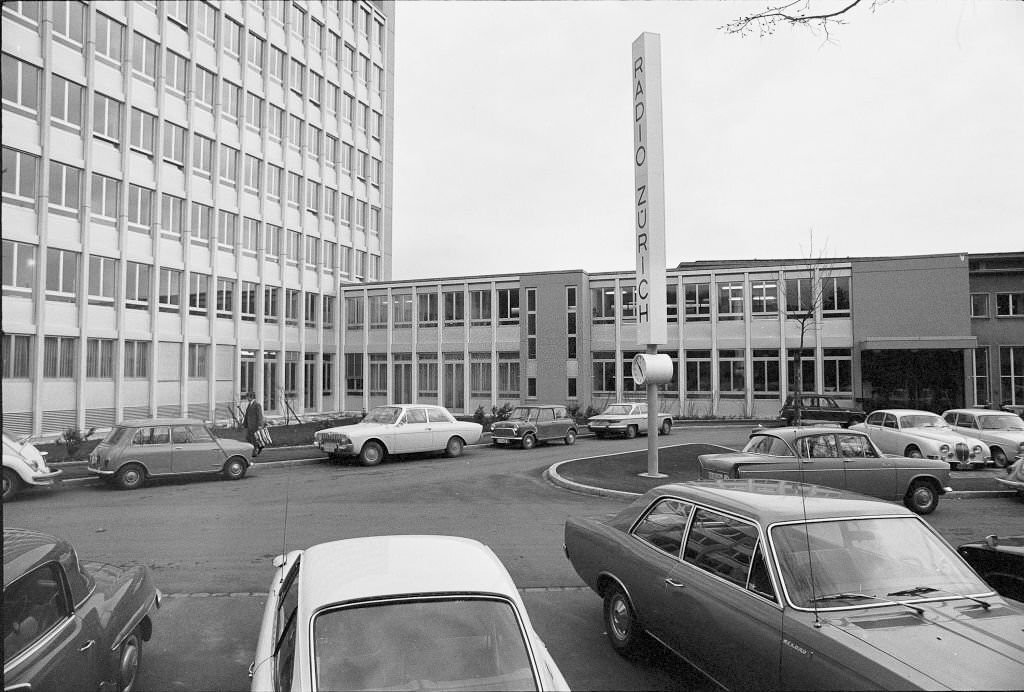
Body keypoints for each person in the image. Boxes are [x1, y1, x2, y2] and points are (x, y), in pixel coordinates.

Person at [243, 392, 266, 456]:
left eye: (247, 397)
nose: (247, 398)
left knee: (254, 439)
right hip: (250, 425)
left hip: (255, 426)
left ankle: (255, 451)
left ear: (251, 397)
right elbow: (247, 415)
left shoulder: (257, 405)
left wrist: (260, 425)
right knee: (248, 438)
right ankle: (258, 447)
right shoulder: (249, 404)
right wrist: (245, 423)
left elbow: (259, 416)